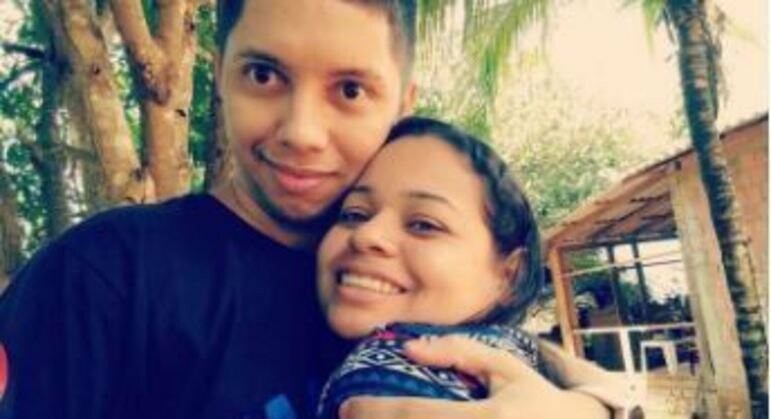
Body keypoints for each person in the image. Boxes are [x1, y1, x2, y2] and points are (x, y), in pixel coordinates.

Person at [0, 1, 632, 418]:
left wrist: (595, 407)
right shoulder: (103, 276)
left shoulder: (399, 287)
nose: (302, 132)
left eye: (350, 89)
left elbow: (536, 360)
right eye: (264, 75)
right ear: (220, 75)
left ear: (402, 104)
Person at [314, 116, 547, 417]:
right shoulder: (532, 365)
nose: (366, 235)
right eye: (354, 214)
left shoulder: (381, 381)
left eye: (424, 224)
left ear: (509, 275)